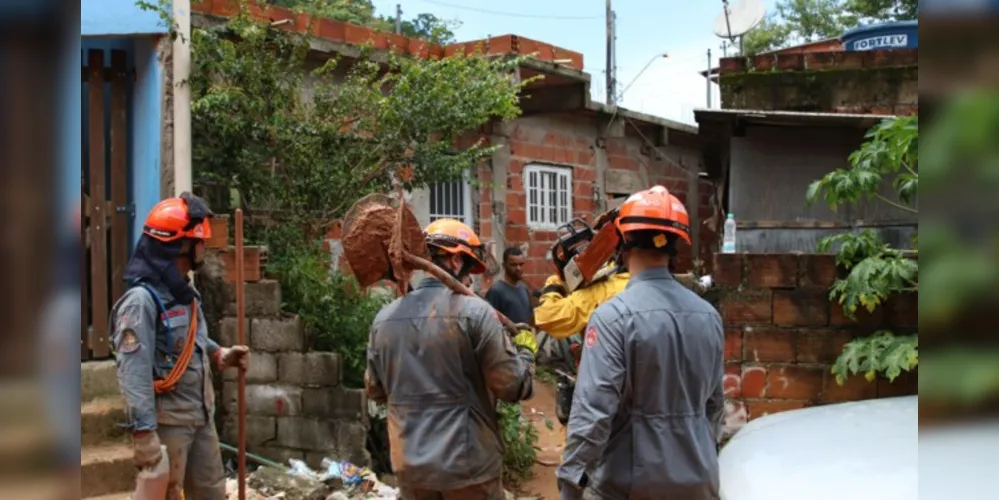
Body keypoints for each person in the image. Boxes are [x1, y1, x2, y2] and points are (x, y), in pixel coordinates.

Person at [557, 186, 725, 500]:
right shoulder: (709, 316)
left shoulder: (613, 318)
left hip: (628, 486)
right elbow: (714, 407)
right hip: (699, 483)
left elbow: (593, 413)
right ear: (675, 246)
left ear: (621, 243)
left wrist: (571, 483)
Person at [364, 218, 538, 500]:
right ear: (456, 261)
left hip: (411, 469)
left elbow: (375, 389)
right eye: (470, 270)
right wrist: (526, 351)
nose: (470, 279)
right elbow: (513, 387)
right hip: (468, 470)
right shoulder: (476, 314)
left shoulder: (383, 320)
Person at [110, 193, 250, 500]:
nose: (204, 248)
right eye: (199, 241)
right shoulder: (141, 303)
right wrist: (144, 434)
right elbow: (133, 373)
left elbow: (191, 337)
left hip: (201, 415)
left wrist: (219, 353)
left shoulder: (183, 291)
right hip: (168, 424)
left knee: (213, 493)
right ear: (180, 246)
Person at [484, 247, 534, 326]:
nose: (518, 268)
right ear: (504, 265)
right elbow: (489, 322)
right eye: (513, 265)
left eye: (521, 264)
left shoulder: (524, 289)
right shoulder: (496, 291)